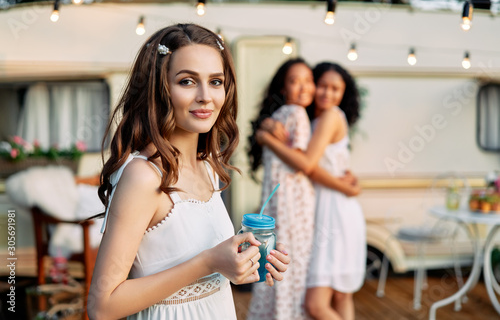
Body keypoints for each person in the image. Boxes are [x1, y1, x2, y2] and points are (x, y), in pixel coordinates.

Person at [87, 23, 290, 320]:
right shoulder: (144, 176)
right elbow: (102, 307)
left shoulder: (207, 166)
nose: (206, 96)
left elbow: (206, 268)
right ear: (160, 88)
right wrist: (208, 262)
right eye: (187, 82)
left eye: (216, 82)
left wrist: (245, 259)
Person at [256, 62, 365, 320]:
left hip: (335, 210)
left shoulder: (329, 116)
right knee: (340, 296)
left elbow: (307, 166)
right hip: (326, 206)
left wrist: (264, 137)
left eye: (336, 89)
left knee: (317, 304)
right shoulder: (310, 117)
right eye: (323, 86)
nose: (327, 93)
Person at [246, 58, 316, 320]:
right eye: (294, 81)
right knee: (286, 263)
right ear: (283, 87)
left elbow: (300, 163)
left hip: (290, 202)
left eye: (308, 81)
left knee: (276, 262)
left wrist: (264, 137)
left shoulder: (292, 114)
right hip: (287, 202)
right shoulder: (290, 114)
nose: (303, 87)